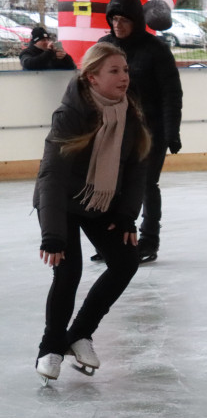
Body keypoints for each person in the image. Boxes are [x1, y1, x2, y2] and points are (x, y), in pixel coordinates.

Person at [33, 42, 152, 386]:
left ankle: (80, 334)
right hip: (62, 199)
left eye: (125, 70)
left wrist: (128, 215)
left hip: (100, 200)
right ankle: (49, 347)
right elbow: (52, 175)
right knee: (68, 271)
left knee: (126, 260)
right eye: (114, 71)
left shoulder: (128, 110)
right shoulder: (71, 113)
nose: (124, 77)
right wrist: (53, 235)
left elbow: (135, 166)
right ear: (92, 77)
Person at [94, 0, 182, 264]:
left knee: (145, 184)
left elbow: (171, 93)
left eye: (124, 20)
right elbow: (90, 87)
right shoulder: (104, 47)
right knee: (112, 185)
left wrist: (171, 132)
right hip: (113, 129)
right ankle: (115, 239)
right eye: (114, 19)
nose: (118, 25)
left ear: (137, 21)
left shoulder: (155, 49)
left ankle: (148, 240)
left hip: (149, 131)